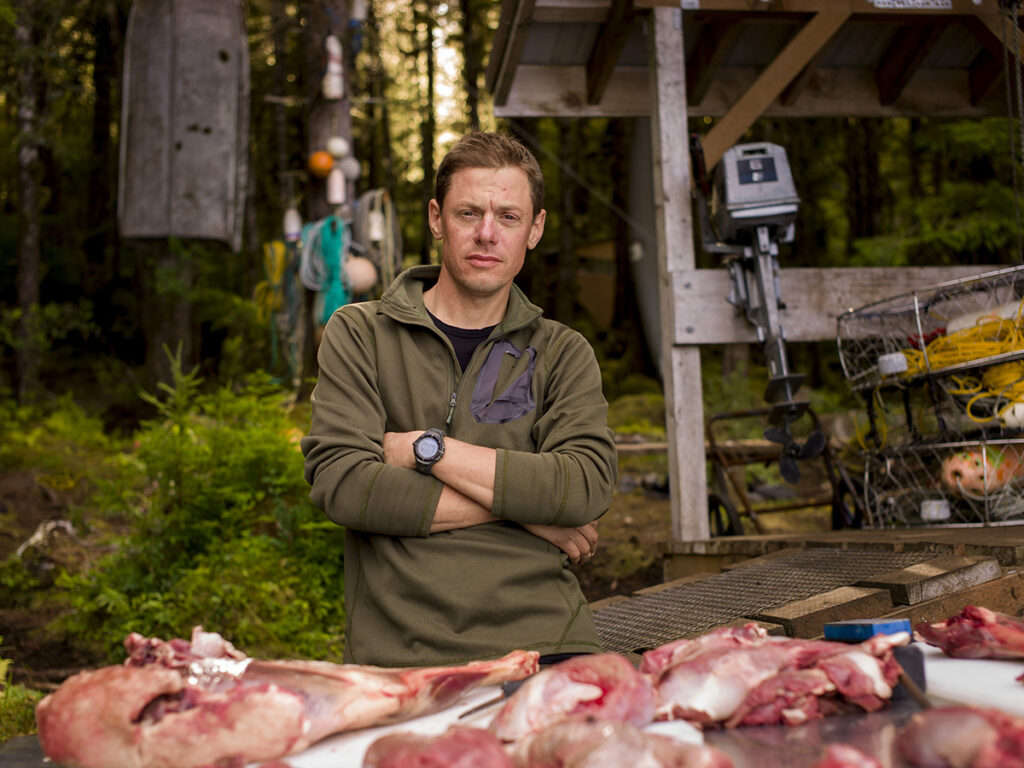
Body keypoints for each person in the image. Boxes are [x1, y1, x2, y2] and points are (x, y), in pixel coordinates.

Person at [301, 131, 618, 667]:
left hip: (549, 643)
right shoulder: (360, 334)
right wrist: (529, 511)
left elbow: (585, 485)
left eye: (509, 217)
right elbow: (345, 485)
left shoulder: (563, 351)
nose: (487, 234)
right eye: (469, 213)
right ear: (436, 219)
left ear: (535, 229)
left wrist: (427, 450)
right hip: (403, 653)